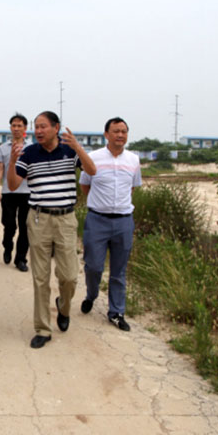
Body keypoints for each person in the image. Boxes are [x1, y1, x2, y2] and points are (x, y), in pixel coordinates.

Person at [7, 111, 96, 349]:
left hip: (66, 219)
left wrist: (78, 147)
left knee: (69, 276)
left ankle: (63, 307)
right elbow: (13, 185)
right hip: (39, 219)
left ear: (56, 128)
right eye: (36, 127)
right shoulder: (28, 153)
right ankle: (43, 329)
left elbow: (92, 171)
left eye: (43, 126)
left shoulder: (69, 151)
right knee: (40, 277)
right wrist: (12, 162)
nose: (38, 131)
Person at [79, 117, 141, 331]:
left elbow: (132, 188)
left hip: (123, 221)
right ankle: (91, 295)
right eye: (116, 131)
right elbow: (85, 186)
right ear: (106, 134)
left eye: (124, 131)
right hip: (97, 220)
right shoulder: (93, 158)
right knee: (93, 266)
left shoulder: (133, 160)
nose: (120, 135)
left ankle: (116, 312)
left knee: (119, 271)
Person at [0, 113, 31, 272]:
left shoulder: (31, 148)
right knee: (9, 224)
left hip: (27, 192)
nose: (16, 128)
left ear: (25, 128)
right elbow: (0, 169)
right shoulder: (3, 148)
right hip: (8, 192)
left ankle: (20, 258)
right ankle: (7, 246)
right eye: (13, 125)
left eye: (19, 126)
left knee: (25, 227)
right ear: (10, 128)